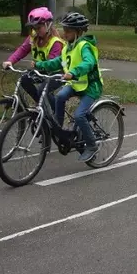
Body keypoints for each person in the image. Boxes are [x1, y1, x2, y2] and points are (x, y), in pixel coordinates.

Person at [34, 12, 103, 162]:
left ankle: (91, 145)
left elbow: (89, 62)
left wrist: (73, 72)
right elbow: (58, 62)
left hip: (91, 86)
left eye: (68, 31)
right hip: (76, 84)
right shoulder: (68, 48)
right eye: (64, 30)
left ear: (78, 32)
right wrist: (40, 65)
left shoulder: (85, 46)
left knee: (79, 115)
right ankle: (59, 130)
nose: (64, 34)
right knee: (60, 96)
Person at [2, 7, 65, 107]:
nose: (36, 30)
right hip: (41, 70)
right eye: (34, 28)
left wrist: (37, 65)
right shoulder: (33, 37)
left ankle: (54, 109)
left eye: (39, 27)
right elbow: (22, 50)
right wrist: (11, 61)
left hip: (57, 73)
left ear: (48, 25)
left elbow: (51, 64)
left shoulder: (56, 42)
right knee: (24, 80)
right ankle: (41, 106)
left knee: (43, 89)